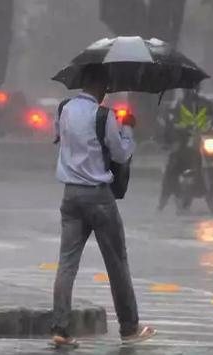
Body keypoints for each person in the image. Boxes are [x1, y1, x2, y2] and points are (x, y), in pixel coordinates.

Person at [51, 64, 156, 347]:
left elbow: (61, 140)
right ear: (101, 86)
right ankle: (129, 328)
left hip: (70, 195)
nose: (107, 91)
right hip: (98, 196)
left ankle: (60, 329)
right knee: (117, 263)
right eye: (106, 86)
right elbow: (121, 154)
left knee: (67, 263)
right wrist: (128, 130)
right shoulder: (104, 116)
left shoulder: (63, 109)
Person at [157, 89, 213, 211]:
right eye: (188, 87)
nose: (191, 91)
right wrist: (173, 134)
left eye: (194, 87)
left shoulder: (205, 103)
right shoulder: (178, 105)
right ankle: (165, 198)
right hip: (184, 140)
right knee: (173, 165)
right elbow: (169, 122)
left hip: (203, 139)